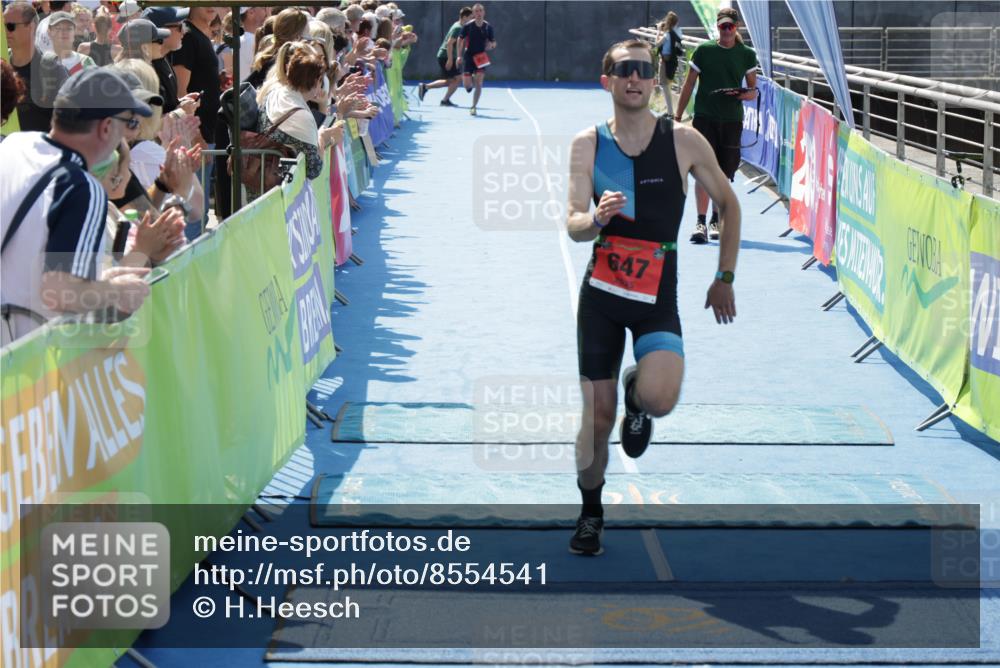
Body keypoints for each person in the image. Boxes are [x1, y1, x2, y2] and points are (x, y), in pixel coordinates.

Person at [564, 39, 741, 556]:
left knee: (662, 399)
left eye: (644, 70)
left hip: (656, 294)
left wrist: (724, 275)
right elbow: (573, 223)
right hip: (601, 295)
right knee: (596, 417)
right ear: (608, 82)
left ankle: (637, 398)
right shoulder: (588, 144)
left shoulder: (683, 141)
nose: (636, 78)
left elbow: (729, 205)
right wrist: (594, 218)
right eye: (624, 71)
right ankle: (590, 513)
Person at [0, 68, 152, 345]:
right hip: (25, 362)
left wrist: (101, 280)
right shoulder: (82, 188)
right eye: (128, 122)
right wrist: (115, 290)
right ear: (106, 127)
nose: (129, 133)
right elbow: (58, 293)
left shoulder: (14, 145)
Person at [674, 7, 757, 244]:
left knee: (722, 173)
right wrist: (678, 117)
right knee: (702, 170)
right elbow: (689, 84)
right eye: (723, 26)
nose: (727, 30)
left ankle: (715, 220)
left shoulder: (747, 54)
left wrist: (740, 94)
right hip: (705, 117)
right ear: (717, 27)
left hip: (731, 120)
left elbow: (753, 92)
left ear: (737, 27)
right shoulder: (704, 50)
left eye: (730, 26)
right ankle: (700, 221)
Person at [3, 0, 68, 131]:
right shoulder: (2, 66)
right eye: (2, 26)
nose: (5, 31)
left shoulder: (51, 67)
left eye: (10, 26)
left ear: (32, 27)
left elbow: (70, 118)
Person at [418, 6, 471, 107]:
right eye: (470, 17)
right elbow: (449, 44)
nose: (471, 20)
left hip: (447, 56)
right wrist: (450, 59)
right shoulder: (458, 28)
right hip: (446, 56)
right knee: (457, 79)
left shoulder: (459, 26)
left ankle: (425, 87)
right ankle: (444, 100)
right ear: (464, 17)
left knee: (451, 81)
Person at [457, 3, 495, 116]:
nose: (478, 13)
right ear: (473, 14)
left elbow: (493, 41)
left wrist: (492, 45)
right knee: (467, 86)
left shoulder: (488, 27)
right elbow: (460, 39)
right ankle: (471, 79)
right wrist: (459, 55)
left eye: (480, 11)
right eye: (476, 11)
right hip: (468, 56)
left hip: (481, 57)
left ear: (484, 12)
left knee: (479, 83)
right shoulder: (468, 26)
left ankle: (473, 107)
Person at [48, 11, 96, 75]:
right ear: (49, 31)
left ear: (74, 31)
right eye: (58, 28)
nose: (64, 32)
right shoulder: (42, 62)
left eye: (69, 29)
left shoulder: (85, 62)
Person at [654, 11, 683, 116]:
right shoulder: (677, 32)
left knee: (665, 86)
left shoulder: (667, 34)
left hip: (665, 62)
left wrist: (658, 31)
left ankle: (670, 112)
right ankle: (670, 111)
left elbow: (657, 44)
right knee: (666, 86)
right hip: (672, 61)